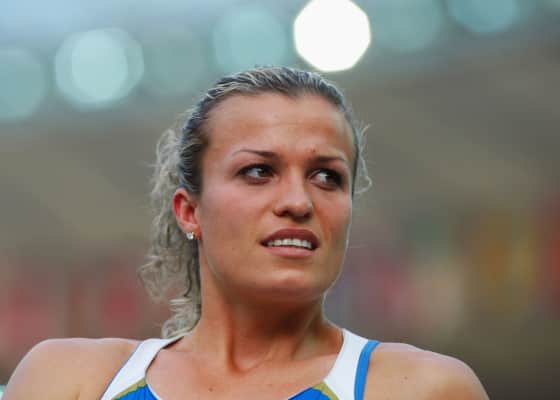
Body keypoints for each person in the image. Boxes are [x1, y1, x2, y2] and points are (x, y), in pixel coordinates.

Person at [3, 66, 489, 400]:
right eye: (258, 171)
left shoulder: (423, 388)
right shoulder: (71, 381)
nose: (299, 201)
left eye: (327, 177)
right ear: (189, 211)